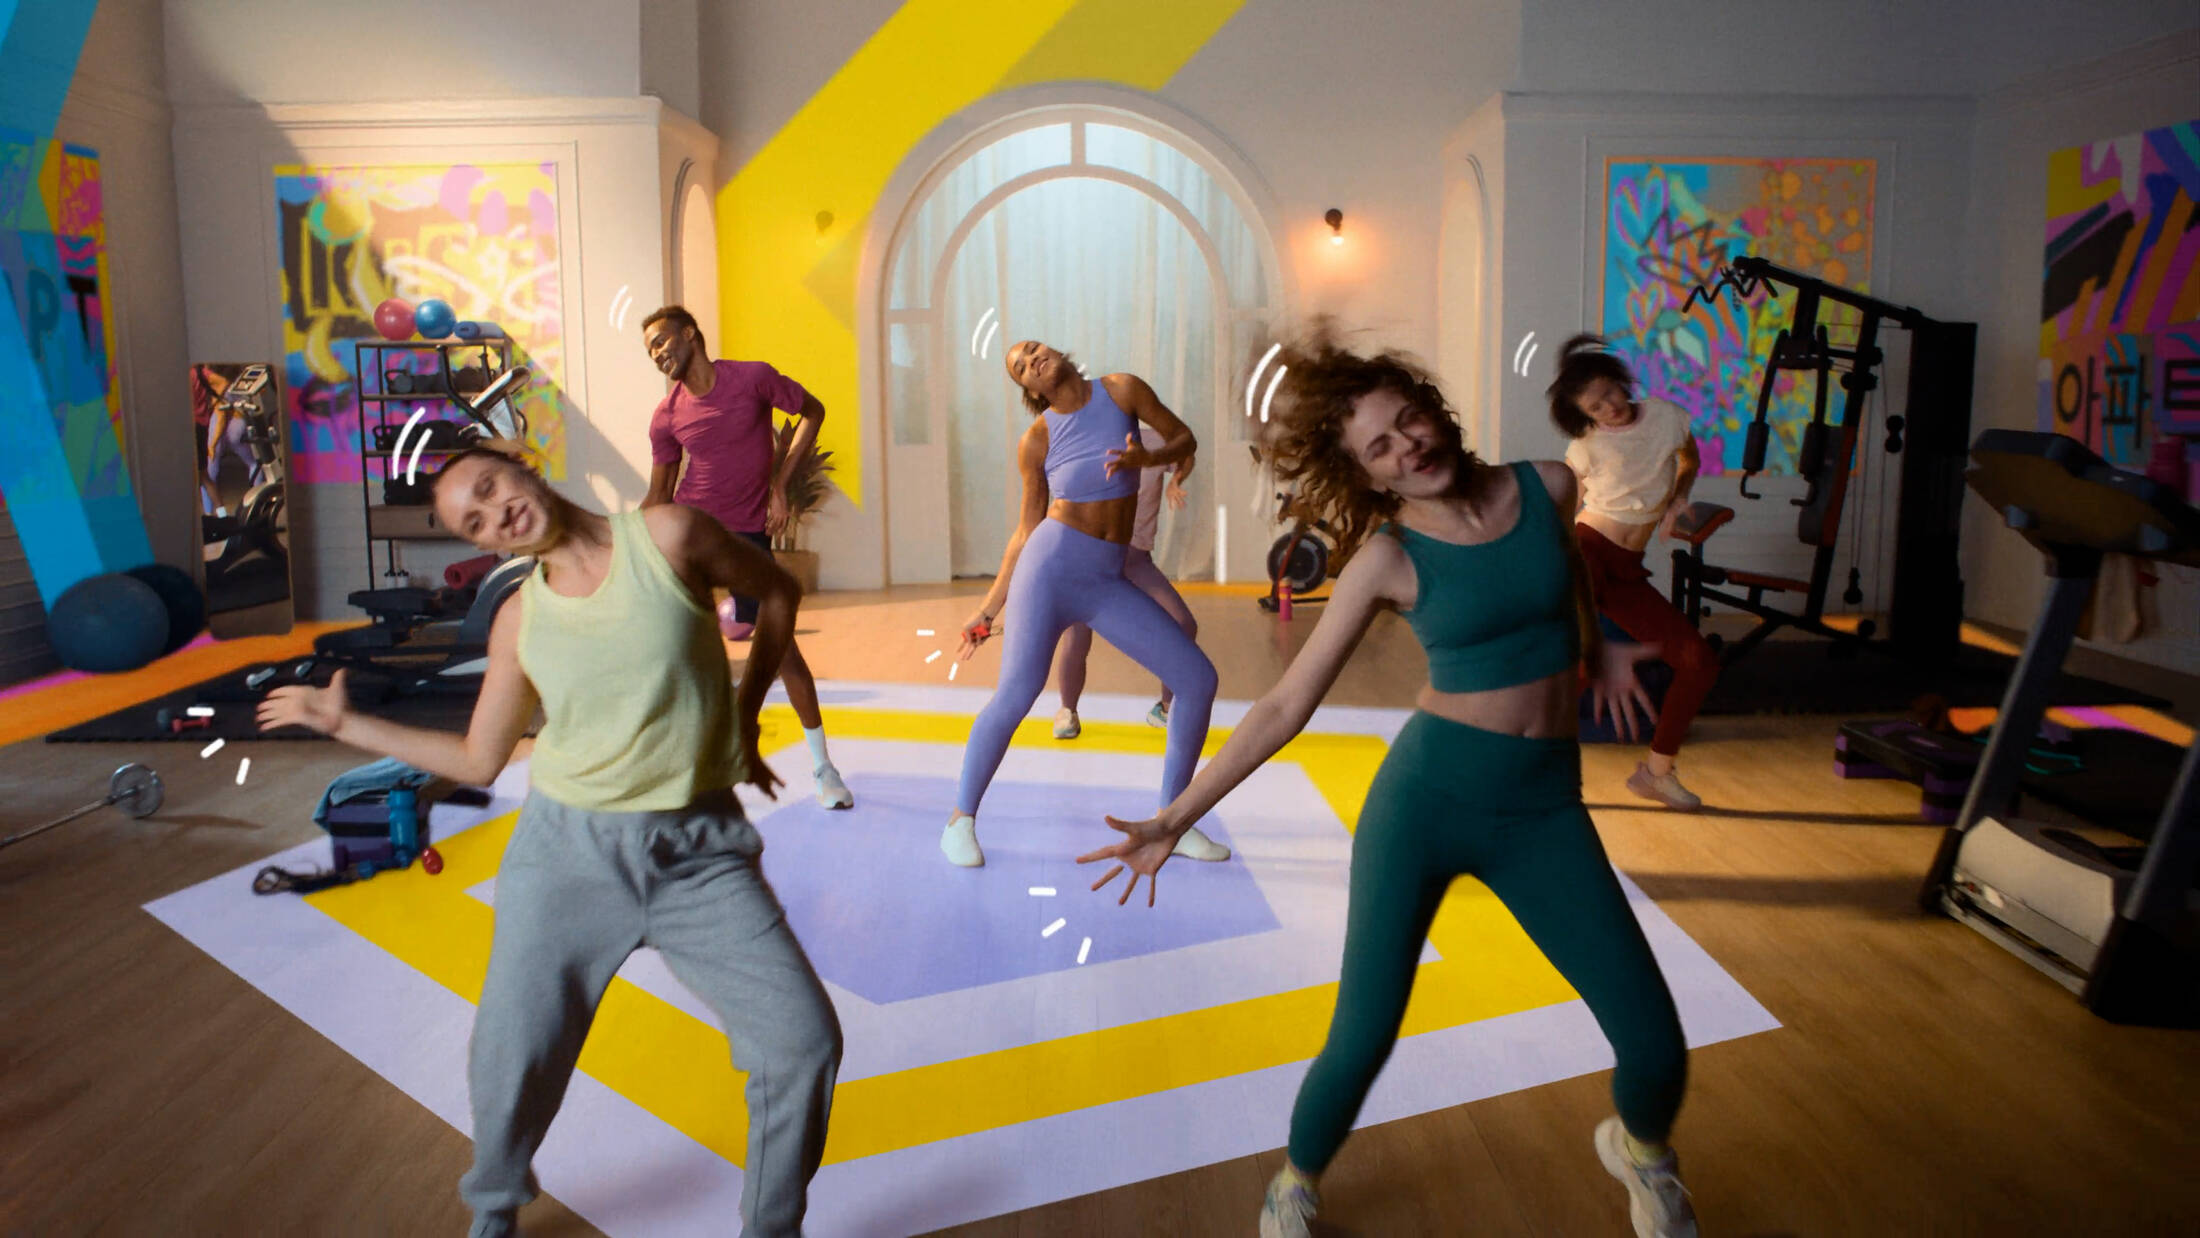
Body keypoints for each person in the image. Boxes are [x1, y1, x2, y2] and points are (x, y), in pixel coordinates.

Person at [1080, 330, 1696, 1238]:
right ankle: (1295, 1180)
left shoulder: (1548, 486)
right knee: (1364, 1035)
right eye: (1379, 446)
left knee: (1654, 1042)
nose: (1406, 446)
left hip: (1545, 811)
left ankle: (1642, 1152)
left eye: (1409, 420)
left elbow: (1565, 571)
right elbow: (1284, 703)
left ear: (1434, 412)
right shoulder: (1388, 558)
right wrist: (1176, 815)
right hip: (1426, 806)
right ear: (1366, 474)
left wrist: (1596, 651)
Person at [258, 445, 842, 1238]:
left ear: (524, 466)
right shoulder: (519, 620)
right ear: (482, 545)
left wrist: (744, 710)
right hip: (568, 855)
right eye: (474, 522)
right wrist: (347, 725)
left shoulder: (670, 535)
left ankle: (771, 1229)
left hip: (699, 852)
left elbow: (777, 591)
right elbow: (479, 758)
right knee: (513, 1055)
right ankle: (495, 1205)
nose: (495, 514)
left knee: (802, 1043)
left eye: (490, 487)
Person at [945, 340, 1228, 869]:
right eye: (1021, 367)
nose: (1032, 359)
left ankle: (1171, 822)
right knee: (1016, 695)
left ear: (1056, 351)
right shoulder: (1036, 439)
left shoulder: (1122, 390)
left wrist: (1150, 459)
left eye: (1034, 349)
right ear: (1029, 389)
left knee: (1197, 680)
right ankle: (960, 820)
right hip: (1049, 570)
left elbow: (1184, 438)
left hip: (1106, 579)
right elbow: (1026, 531)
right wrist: (986, 611)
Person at [641, 305, 854, 810]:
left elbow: (813, 411)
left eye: (661, 341)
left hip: (744, 538)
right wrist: (622, 540)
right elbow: (659, 495)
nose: (656, 354)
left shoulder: (752, 379)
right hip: (691, 533)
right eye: (649, 350)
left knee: (782, 651)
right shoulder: (666, 415)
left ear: (690, 334)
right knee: (673, 652)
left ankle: (824, 769)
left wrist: (780, 485)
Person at [1548, 334, 1720, 811]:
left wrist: (1679, 497)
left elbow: (1690, 459)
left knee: (1699, 662)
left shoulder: (1665, 416)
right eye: (1595, 407)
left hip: (1626, 569)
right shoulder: (1586, 445)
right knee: (1580, 667)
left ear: (1621, 381)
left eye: (1610, 392)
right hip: (1588, 552)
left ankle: (1657, 774)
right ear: (1584, 415)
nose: (1609, 408)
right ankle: (1525, 775)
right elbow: (1566, 503)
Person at [1051, 424, 1197, 738]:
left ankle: (1167, 707)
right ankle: (1067, 710)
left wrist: (1176, 479)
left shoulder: (1153, 439)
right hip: (1091, 560)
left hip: (1134, 560)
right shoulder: (1086, 440)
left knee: (1183, 623)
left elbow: (1187, 454)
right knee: (1077, 634)